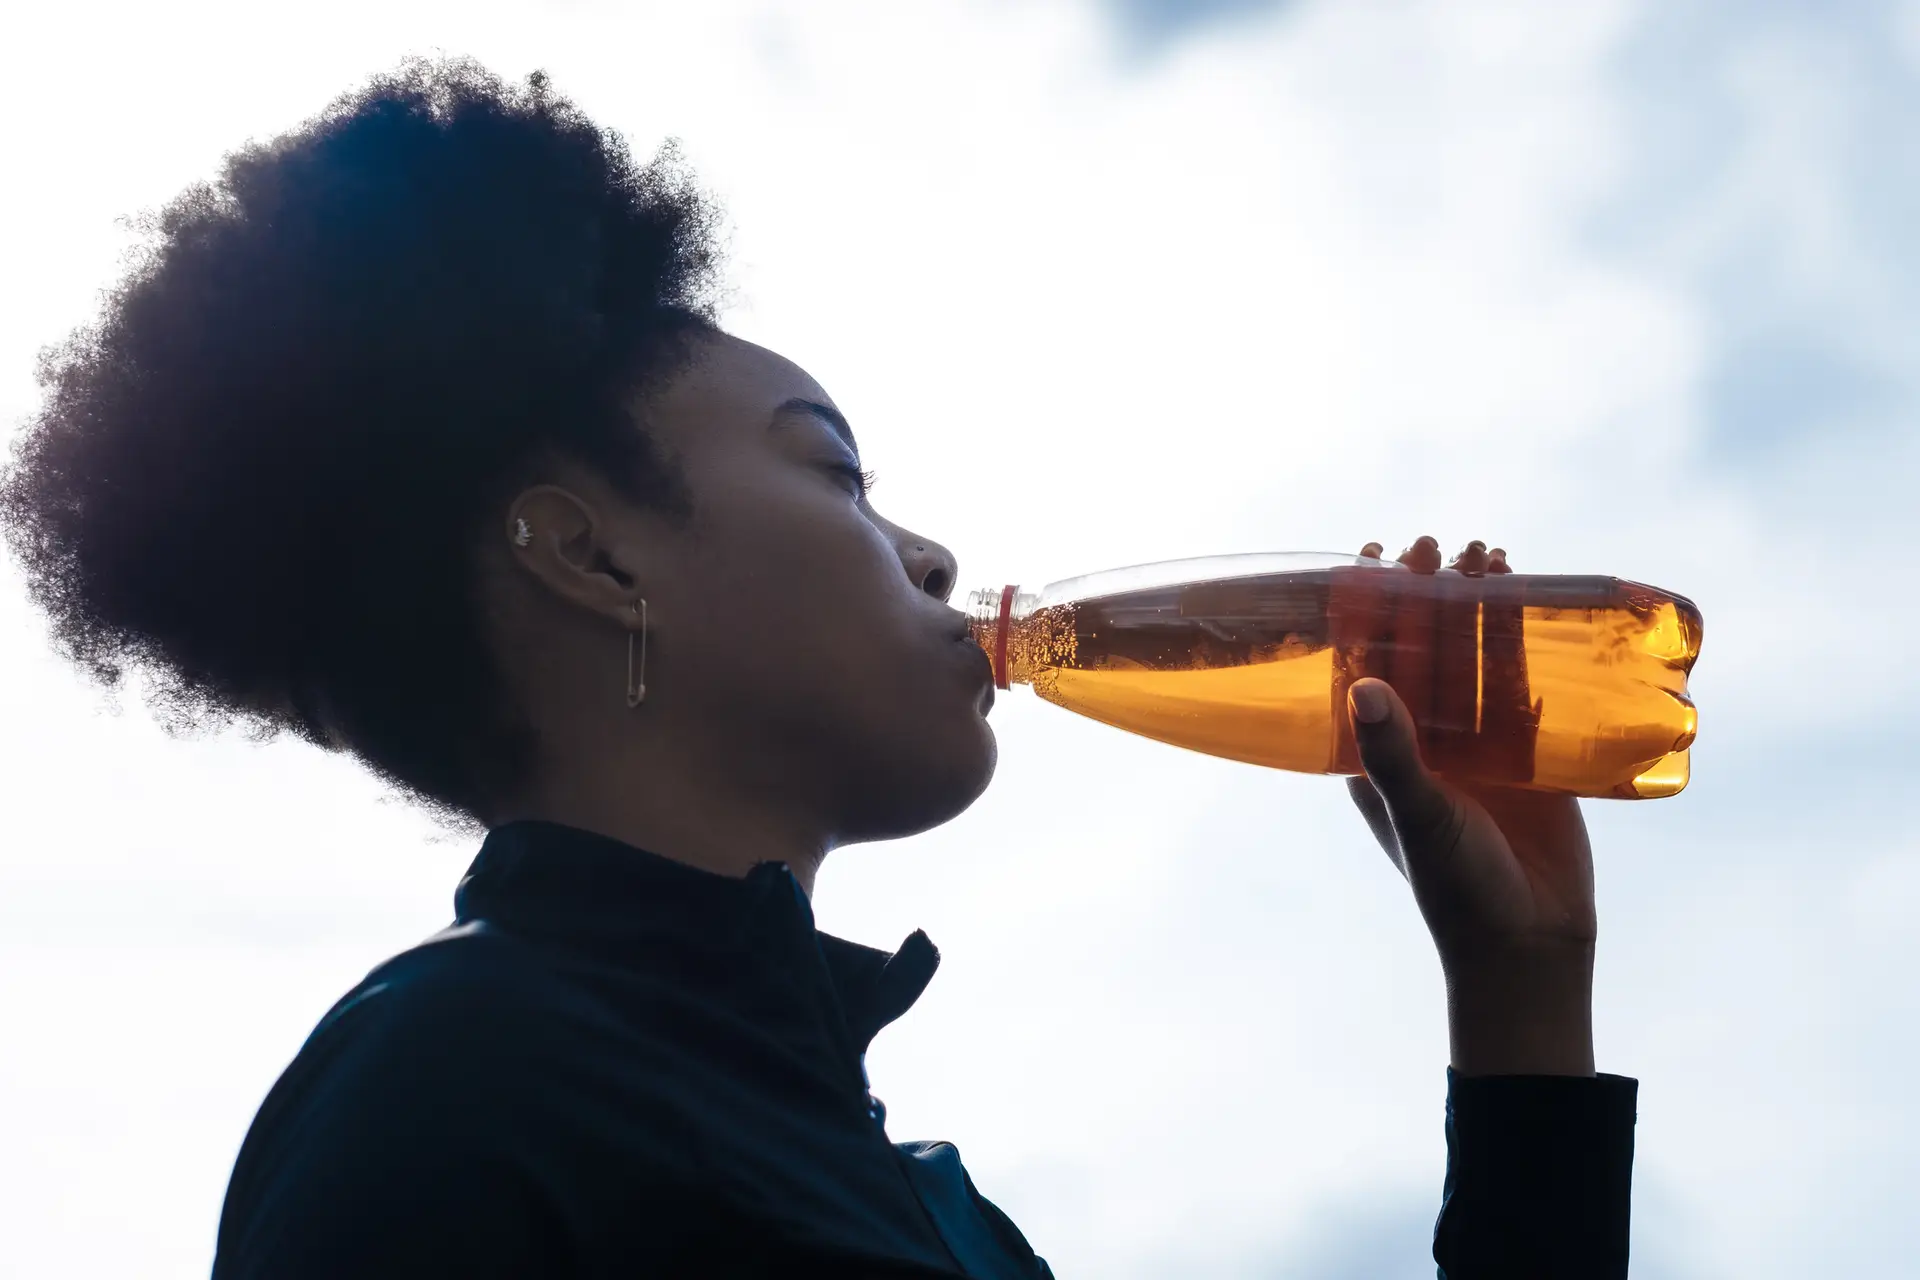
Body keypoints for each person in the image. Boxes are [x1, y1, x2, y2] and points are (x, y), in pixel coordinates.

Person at [0, 59, 1636, 1278]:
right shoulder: (448, 1091)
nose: (930, 554)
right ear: (590, 555)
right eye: (837, 472)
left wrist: (1520, 993)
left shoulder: (931, 1208)